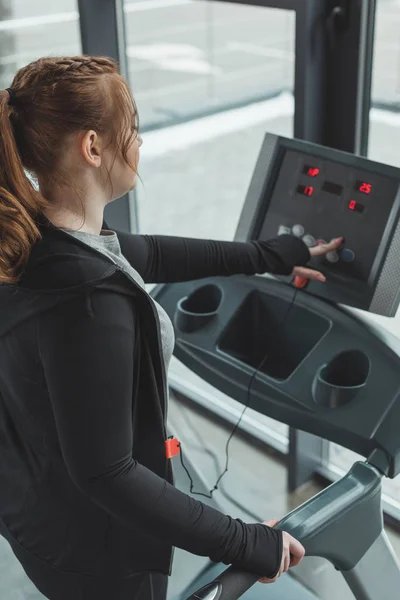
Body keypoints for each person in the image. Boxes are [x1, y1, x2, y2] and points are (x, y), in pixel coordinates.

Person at [0, 56, 342, 600]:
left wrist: (275, 254)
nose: (140, 144)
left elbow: (153, 253)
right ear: (92, 147)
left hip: (36, 507)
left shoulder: (34, 235)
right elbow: (107, 472)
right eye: (131, 131)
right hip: (97, 558)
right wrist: (246, 542)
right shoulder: (86, 299)